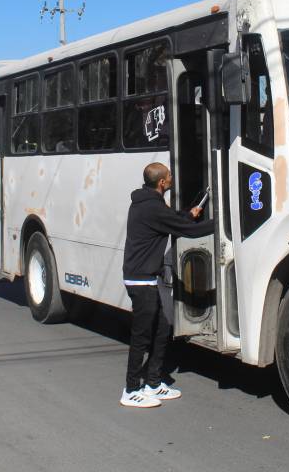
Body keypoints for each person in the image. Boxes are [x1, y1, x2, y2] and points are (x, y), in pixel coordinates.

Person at [120, 162, 214, 409]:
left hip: (148, 278)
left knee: (163, 328)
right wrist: (225, 225)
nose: (172, 177)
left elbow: (171, 221)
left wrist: (188, 214)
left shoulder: (148, 203)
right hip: (140, 280)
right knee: (142, 336)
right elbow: (188, 232)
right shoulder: (152, 207)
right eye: (169, 175)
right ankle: (130, 390)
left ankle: (152, 383)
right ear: (162, 183)